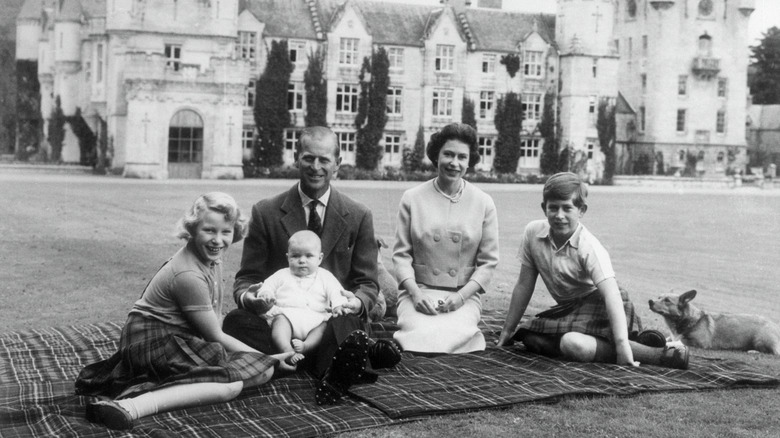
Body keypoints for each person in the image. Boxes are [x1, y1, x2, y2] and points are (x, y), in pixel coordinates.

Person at [75, 192, 295, 431]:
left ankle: (172, 386)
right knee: (232, 385)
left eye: (226, 232)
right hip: (150, 342)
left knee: (260, 372)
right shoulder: (188, 274)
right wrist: (268, 357)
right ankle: (130, 406)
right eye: (209, 230)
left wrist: (260, 361)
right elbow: (215, 336)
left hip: (177, 339)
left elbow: (215, 318)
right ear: (192, 229)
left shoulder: (211, 259)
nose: (218, 240)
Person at [222, 126, 401, 405]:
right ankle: (341, 362)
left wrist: (356, 302)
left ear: (337, 164)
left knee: (350, 322)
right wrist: (251, 297)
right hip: (278, 320)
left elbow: (367, 283)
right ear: (296, 158)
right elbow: (246, 278)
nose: (315, 167)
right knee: (236, 322)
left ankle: (300, 361)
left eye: (324, 160)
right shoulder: (266, 211)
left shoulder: (358, 215)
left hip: (330, 321)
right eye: (308, 158)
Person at [496, 172, 689, 369]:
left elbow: (612, 294)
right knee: (529, 337)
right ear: (543, 208)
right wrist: (507, 330)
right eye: (553, 208)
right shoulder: (533, 233)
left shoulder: (589, 246)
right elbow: (523, 285)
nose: (559, 215)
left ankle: (661, 354)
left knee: (571, 344)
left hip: (604, 304)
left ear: (581, 210)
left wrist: (622, 346)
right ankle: (639, 340)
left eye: (567, 208)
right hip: (569, 309)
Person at [392, 122, 499, 354]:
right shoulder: (412, 198)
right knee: (421, 335)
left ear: (470, 161)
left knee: (452, 336)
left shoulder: (483, 202)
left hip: (462, 295)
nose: (454, 163)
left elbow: (489, 263)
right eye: (448, 154)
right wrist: (416, 294)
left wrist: (462, 297)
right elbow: (401, 256)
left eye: (462, 157)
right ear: (436, 156)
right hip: (419, 291)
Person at [259, 230, 350, 366]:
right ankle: (287, 351)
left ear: (319, 258)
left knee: (323, 328)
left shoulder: (325, 276)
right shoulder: (282, 274)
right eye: (295, 256)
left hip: (315, 318)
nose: (302, 261)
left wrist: (338, 305)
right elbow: (268, 286)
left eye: (309, 256)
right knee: (279, 325)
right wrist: (266, 293)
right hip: (287, 315)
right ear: (287, 257)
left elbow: (337, 292)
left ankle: (306, 346)